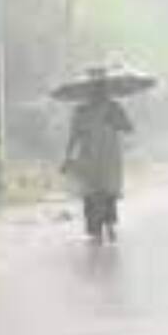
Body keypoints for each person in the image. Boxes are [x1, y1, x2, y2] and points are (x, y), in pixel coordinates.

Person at [62, 74, 134, 244]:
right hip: (88, 157)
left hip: (110, 157)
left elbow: (128, 128)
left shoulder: (114, 108)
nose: (98, 92)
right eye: (95, 89)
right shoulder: (80, 111)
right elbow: (73, 136)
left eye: (101, 88)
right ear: (88, 91)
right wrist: (67, 157)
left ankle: (109, 225)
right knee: (91, 193)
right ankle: (96, 231)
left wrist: (116, 121)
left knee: (108, 192)